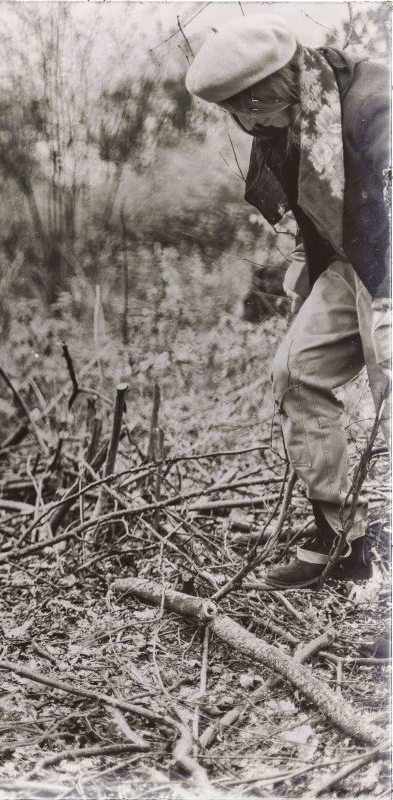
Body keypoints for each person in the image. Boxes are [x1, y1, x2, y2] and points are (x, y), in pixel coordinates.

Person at [185, 15, 390, 588]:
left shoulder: (377, 105)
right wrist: (305, 261)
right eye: (236, 111)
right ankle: (342, 539)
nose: (248, 123)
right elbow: (306, 208)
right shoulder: (274, 129)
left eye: (254, 104)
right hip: (351, 259)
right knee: (297, 373)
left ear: (284, 80)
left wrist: (386, 312)